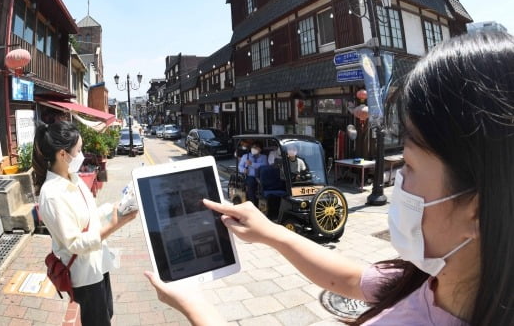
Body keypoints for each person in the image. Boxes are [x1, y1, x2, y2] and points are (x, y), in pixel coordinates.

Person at [145, 32, 514, 325]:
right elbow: (352, 278)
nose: (399, 178)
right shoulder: (432, 280)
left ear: (476, 211)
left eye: (410, 166)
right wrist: (269, 231)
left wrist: (194, 305)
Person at [33, 121, 136, 326]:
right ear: (62, 154)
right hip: (85, 274)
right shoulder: (52, 194)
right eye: (78, 150)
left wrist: (116, 207)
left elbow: (89, 217)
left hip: (98, 264)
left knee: (107, 313)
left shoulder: (73, 178)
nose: (82, 155)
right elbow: (75, 243)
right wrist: (115, 225)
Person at [237, 141, 268, 206]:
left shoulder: (264, 157)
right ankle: (252, 204)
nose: (254, 149)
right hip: (250, 176)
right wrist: (243, 170)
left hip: (261, 176)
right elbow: (240, 166)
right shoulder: (246, 156)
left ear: (260, 149)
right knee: (251, 184)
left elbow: (264, 165)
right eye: (253, 147)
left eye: (256, 147)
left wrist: (252, 164)